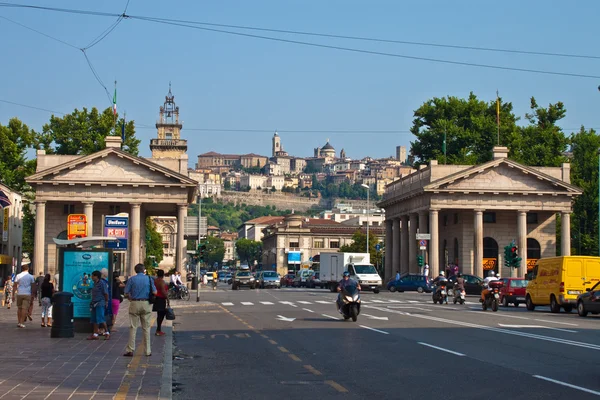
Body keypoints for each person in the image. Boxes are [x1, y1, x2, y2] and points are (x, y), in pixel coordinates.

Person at [124, 263, 157, 357]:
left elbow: (126, 292)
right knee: (146, 328)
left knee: (133, 327)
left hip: (134, 303)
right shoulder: (149, 279)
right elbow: (155, 292)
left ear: (135, 270)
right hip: (146, 304)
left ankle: (130, 349)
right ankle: (148, 351)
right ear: (144, 270)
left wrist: (130, 296)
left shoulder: (131, 279)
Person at [88, 270, 109, 340]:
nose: (91, 277)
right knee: (94, 319)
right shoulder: (95, 283)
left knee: (101, 318)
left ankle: (107, 333)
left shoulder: (102, 283)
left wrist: (106, 302)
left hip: (100, 302)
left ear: (96, 276)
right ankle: (95, 334)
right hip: (94, 303)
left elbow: (106, 293)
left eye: (93, 276)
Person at [153, 270, 168, 336]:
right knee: (161, 315)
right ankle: (158, 330)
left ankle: (158, 329)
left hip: (156, 299)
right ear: (163, 275)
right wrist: (167, 298)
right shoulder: (162, 282)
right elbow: (163, 291)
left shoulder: (155, 281)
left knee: (159, 314)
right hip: (161, 299)